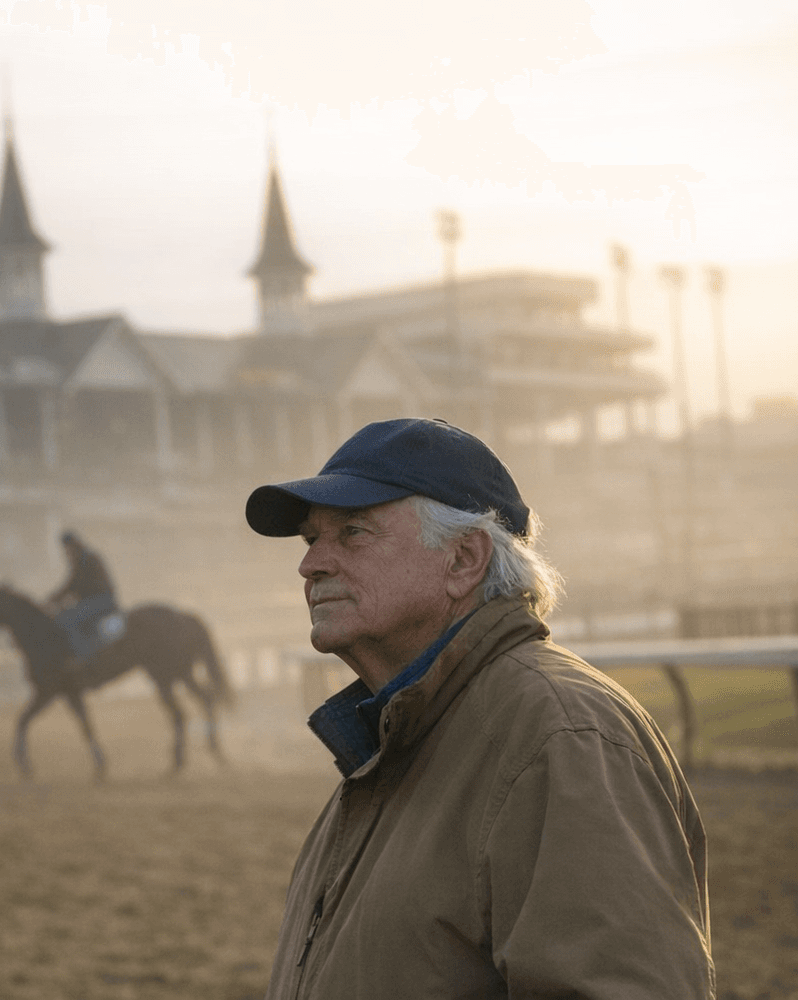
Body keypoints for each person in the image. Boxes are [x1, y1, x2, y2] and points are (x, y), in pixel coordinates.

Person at [244, 418, 713, 998]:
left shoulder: (558, 737)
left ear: (464, 559)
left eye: (353, 533)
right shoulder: (401, 734)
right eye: (312, 539)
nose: (310, 565)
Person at [46, 529, 122, 660]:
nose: (66, 552)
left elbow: (74, 584)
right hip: (97, 599)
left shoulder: (85, 559)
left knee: (67, 620)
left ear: (72, 545)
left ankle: (82, 656)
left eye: (66, 549)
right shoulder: (84, 558)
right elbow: (73, 585)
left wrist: (54, 599)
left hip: (101, 600)